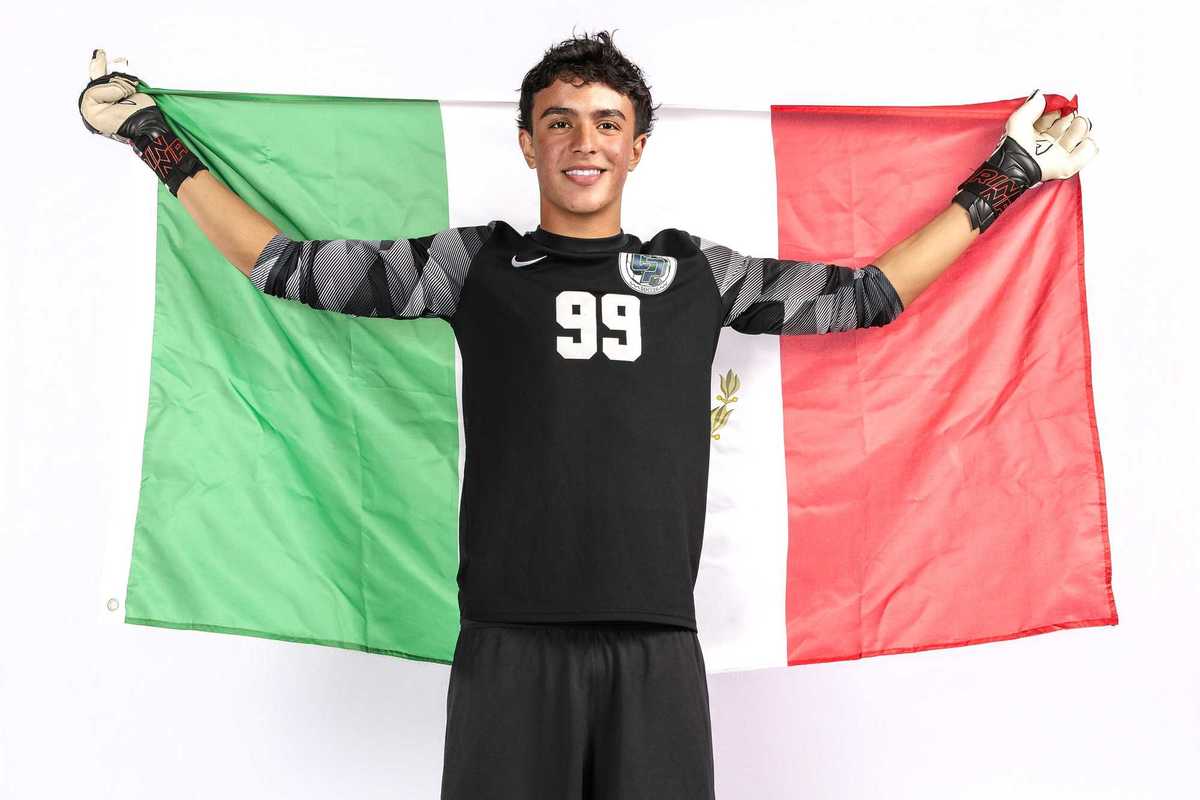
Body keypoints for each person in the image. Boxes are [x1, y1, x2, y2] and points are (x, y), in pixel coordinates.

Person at [79, 30, 1098, 799]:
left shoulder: (698, 274)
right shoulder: (472, 263)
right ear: (527, 141)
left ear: (638, 146)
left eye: (607, 122)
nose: (583, 141)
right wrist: (147, 136)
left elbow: (869, 295)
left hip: (655, 646)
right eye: (560, 120)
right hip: (508, 642)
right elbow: (288, 268)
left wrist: (1011, 175)